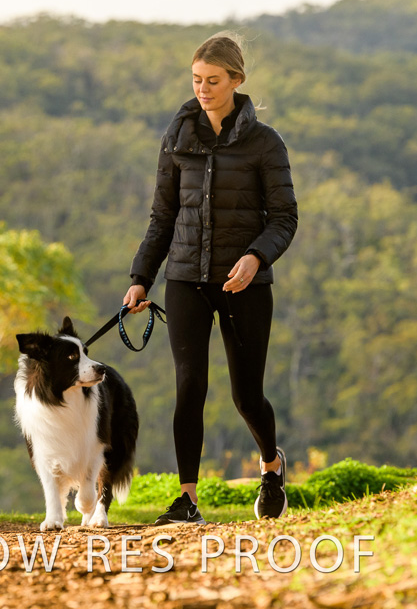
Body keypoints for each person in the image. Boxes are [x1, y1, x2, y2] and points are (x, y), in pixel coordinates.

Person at [123, 31, 297, 524]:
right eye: (197, 79)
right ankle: (188, 500)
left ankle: (271, 466)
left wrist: (256, 258)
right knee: (189, 387)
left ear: (236, 80)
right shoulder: (176, 139)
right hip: (185, 279)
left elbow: (284, 218)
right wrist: (141, 277)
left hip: (245, 284)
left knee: (246, 396)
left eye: (213, 80)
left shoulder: (265, 143)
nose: (203, 89)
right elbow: (162, 217)